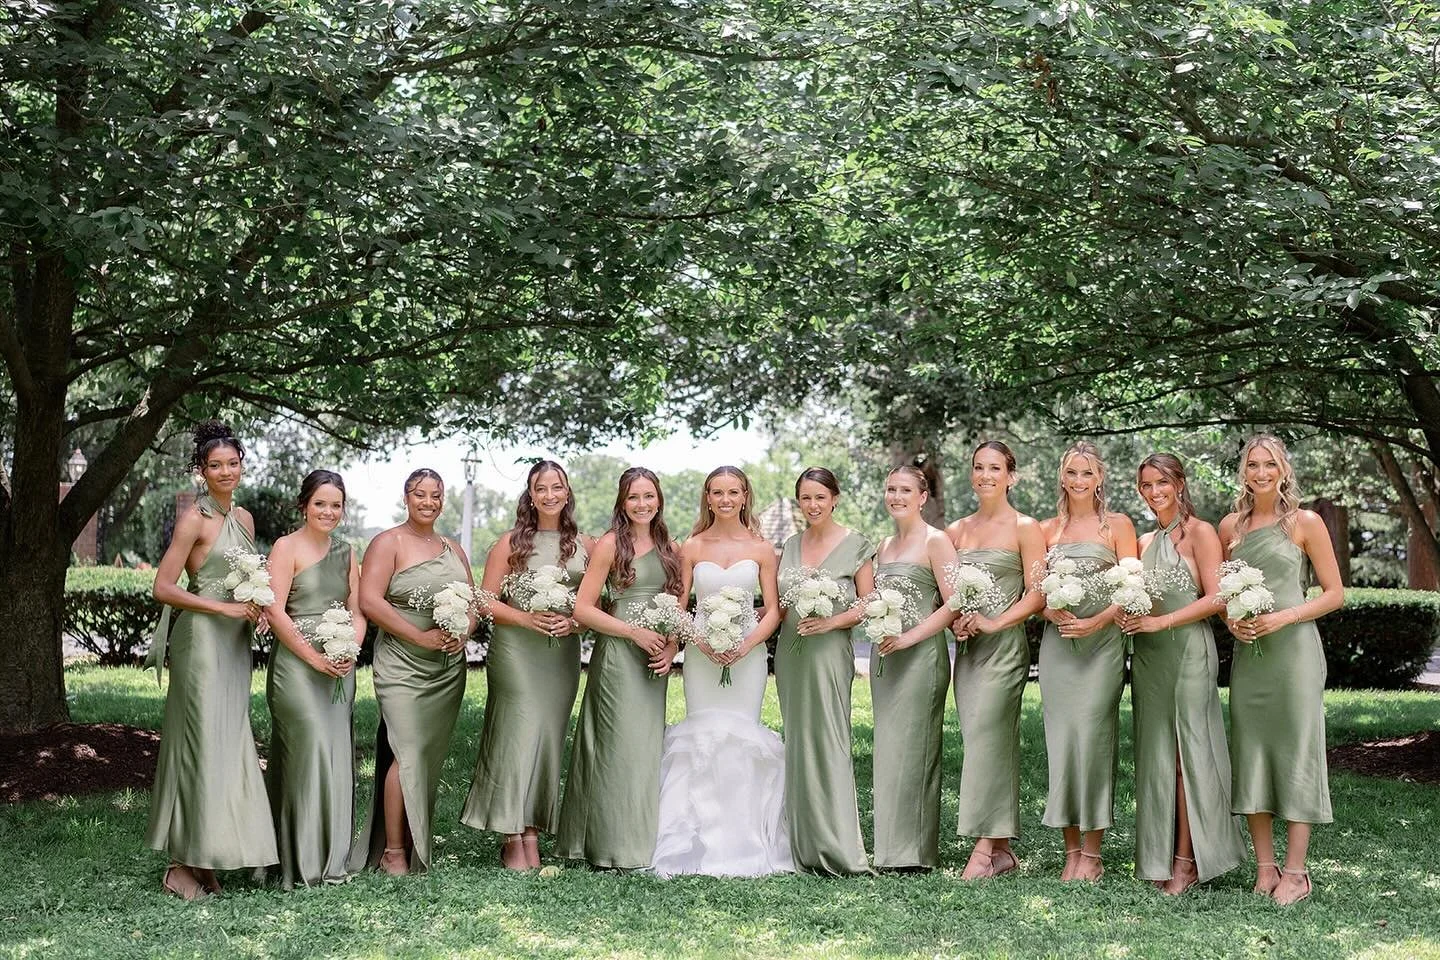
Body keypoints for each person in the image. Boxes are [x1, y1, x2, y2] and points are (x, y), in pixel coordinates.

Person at [144, 420, 277, 899]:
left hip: (234, 645)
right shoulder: (193, 520)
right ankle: (181, 865)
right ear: (201, 471)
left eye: (232, 463)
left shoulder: (244, 522)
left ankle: (208, 860)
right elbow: (162, 587)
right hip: (200, 643)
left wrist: (256, 611)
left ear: (242, 466)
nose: (225, 471)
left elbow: (245, 581)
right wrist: (223, 608)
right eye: (215, 465)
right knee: (199, 746)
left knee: (226, 746)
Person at [650, 465, 791, 877]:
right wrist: (700, 641)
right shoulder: (691, 546)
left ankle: (743, 844)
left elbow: (775, 608)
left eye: (733, 492)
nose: (725, 499)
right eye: (717, 492)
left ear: (745, 496)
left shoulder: (763, 548)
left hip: (747, 658)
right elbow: (678, 605)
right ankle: (691, 842)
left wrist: (748, 644)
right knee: (703, 737)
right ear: (707, 498)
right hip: (701, 655)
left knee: (741, 737)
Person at [1220, 435, 1343, 906]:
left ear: (1283, 470)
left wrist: (1284, 616)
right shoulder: (1231, 525)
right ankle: (1265, 868)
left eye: (1269, 464)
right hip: (1251, 657)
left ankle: (1297, 872)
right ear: (1244, 472)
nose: (1261, 472)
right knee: (1252, 751)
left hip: (1294, 653)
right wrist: (1232, 620)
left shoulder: (1305, 522)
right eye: (1253, 465)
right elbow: (1224, 594)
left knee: (1296, 751)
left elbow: (1334, 594)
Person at [1118, 454, 1246, 894]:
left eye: (1162, 482)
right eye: (1146, 484)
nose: (1155, 491)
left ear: (1180, 483)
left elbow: (1216, 599)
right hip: (1150, 657)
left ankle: (1187, 862)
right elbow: (1138, 598)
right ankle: (1159, 854)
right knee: (1157, 756)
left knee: (1184, 756)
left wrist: (1159, 622)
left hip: (1189, 652)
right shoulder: (1142, 540)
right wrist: (1131, 615)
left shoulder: (1201, 533)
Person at [462, 460, 590, 869]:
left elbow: (597, 603)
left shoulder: (584, 544)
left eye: (557, 487)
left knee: (547, 738)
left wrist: (575, 622)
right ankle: (510, 833)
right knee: (516, 734)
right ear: (530, 495)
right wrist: (525, 618)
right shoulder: (510, 543)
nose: (550, 495)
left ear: (567, 492)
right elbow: (485, 600)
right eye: (541, 488)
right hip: (517, 651)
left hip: (561, 655)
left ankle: (533, 830)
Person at [556, 467, 681, 869]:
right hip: (618, 656)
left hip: (653, 658)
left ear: (658, 500)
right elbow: (583, 608)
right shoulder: (611, 545)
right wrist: (633, 633)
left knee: (644, 747)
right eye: (633, 497)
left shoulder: (670, 548)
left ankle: (639, 840)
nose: (642, 504)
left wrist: (671, 646)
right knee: (615, 746)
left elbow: (678, 604)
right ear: (621, 503)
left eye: (648, 496)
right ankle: (609, 845)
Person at [351, 468, 474, 875]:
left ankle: (414, 839)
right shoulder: (388, 542)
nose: (428, 502)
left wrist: (463, 631)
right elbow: (370, 601)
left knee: (425, 756)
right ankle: (393, 853)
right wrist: (418, 638)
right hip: (402, 663)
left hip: (445, 669)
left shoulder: (453, 548)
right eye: (420, 494)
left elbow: (473, 604)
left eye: (436, 495)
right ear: (406, 497)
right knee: (406, 752)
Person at [945, 441, 1046, 879]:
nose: (986, 475)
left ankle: (984, 851)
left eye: (995, 468)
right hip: (968, 654)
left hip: (1005, 650)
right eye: (978, 467)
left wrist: (995, 622)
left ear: (1011, 476)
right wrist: (957, 624)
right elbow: (946, 596)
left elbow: (1038, 593)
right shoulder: (955, 531)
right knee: (982, 744)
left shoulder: (1025, 527)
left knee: (989, 740)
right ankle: (1002, 850)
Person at [1037, 442, 1137, 882]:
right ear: (1063, 477)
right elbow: (1034, 592)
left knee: (1094, 739)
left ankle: (1093, 854)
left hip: (1102, 646)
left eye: (1087, 474)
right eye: (1072, 473)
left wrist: (1098, 621)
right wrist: (1051, 611)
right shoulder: (1046, 530)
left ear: (1100, 479)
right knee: (1062, 743)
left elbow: (1132, 589)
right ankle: (1071, 850)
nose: (1079, 481)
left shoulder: (1117, 525)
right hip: (1059, 648)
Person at [263, 469, 364, 889]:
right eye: (320, 503)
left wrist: (348, 650)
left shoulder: (348, 552)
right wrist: (313, 658)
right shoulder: (286, 547)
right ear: (304, 504)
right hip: (296, 669)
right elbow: (274, 611)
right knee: (306, 753)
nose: (328, 511)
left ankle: (330, 858)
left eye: (336, 505)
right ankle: (296, 863)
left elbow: (358, 611)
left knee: (335, 754)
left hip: (339, 667)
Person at [774, 467, 873, 875]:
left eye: (820, 497)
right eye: (805, 498)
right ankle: (802, 843)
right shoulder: (791, 544)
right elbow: (778, 605)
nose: (813, 505)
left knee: (830, 739)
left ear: (835, 498)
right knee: (796, 740)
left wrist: (831, 623)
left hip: (830, 653)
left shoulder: (856, 544)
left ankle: (838, 847)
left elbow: (869, 603)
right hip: (791, 655)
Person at [869, 464, 958, 871]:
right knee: (889, 749)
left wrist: (909, 637)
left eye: (905, 490)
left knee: (918, 749)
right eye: (891, 489)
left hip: (921, 656)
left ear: (923, 497)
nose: (896, 497)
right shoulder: (883, 546)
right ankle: (889, 849)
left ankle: (916, 852)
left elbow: (956, 602)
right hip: (885, 656)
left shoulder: (937, 541)